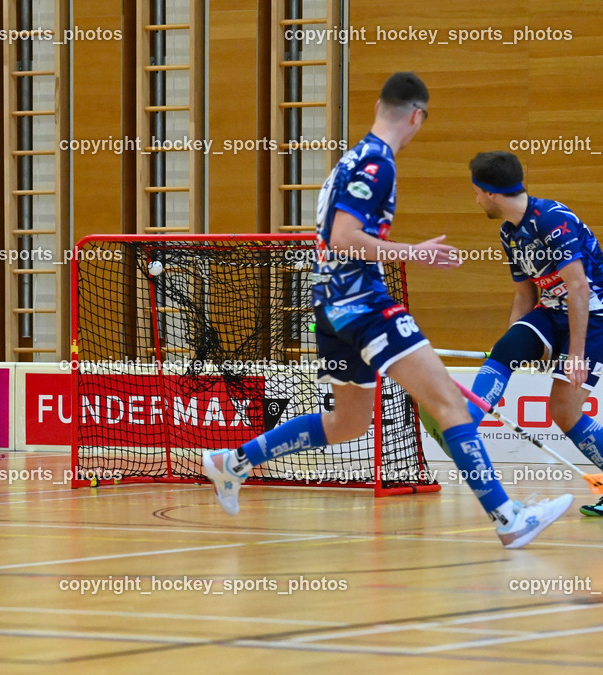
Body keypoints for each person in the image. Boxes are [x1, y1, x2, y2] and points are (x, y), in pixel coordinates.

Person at [201, 72, 573, 549]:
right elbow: (343, 238)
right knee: (450, 405)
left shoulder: (350, 159)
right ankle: (508, 517)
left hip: (332, 307)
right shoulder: (379, 164)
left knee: (348, 423)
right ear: (417, 115)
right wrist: (415, 252)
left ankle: (231, 463)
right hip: (364, 306)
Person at [465, 150, 603, 517]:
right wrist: (515, 343)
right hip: (551, 312)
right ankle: (463, 429)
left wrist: (574, 354)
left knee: (563, 411)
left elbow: (579, 288)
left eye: (476, 192)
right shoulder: (509, 232)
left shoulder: (552, 218)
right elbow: (525, 295)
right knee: (506, 347)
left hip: (594, 315)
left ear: (489, 192)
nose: (476, 199)